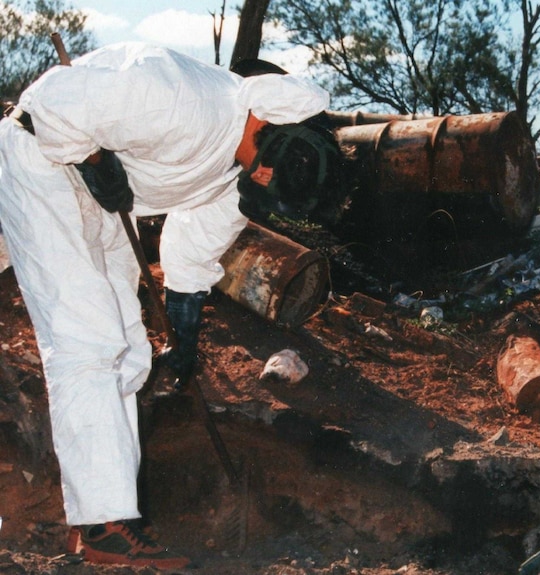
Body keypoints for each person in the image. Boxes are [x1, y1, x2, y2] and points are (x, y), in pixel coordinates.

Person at [0, 42, 330, 568]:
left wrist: (184, 331)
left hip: (103, 202)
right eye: (268, 172)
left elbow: (193, 248)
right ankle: (104, 524)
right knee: (86, 341)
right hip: (43, 165)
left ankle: (101, 517)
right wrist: (93, 157)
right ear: (268, 128)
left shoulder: (237, 176)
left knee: (128, 351)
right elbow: (54, 101)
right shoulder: (179, 94)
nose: (261, 182)